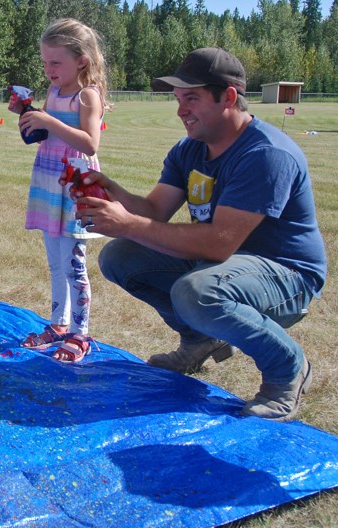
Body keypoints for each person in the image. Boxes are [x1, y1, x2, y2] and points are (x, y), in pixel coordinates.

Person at [79, 47, 326, 421]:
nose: (181, 110)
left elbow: (218, 242)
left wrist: (129, 223)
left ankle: (287, 368)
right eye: (179, 99)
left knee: (197, 291)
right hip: (224, 266)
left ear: (228, 96)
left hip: (287, 275)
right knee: (120, 256)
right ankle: (200, 341)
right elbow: (155, 211)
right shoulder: (189, 150)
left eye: (191, 98)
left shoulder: (265, 153)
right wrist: (112, 192)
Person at [18, 18, 111, 363]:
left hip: (74, 185)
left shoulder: (87, 96)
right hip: (49, 181)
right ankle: (58, 324)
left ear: (82, 60)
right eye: (44, 62)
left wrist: (49, 121)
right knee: (56, 262)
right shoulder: (55, 93)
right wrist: (29, 115)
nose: (48, 69)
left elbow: (90, 142)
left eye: (55, 62)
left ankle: (81, 333)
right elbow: (48, 134)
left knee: (74, 264)